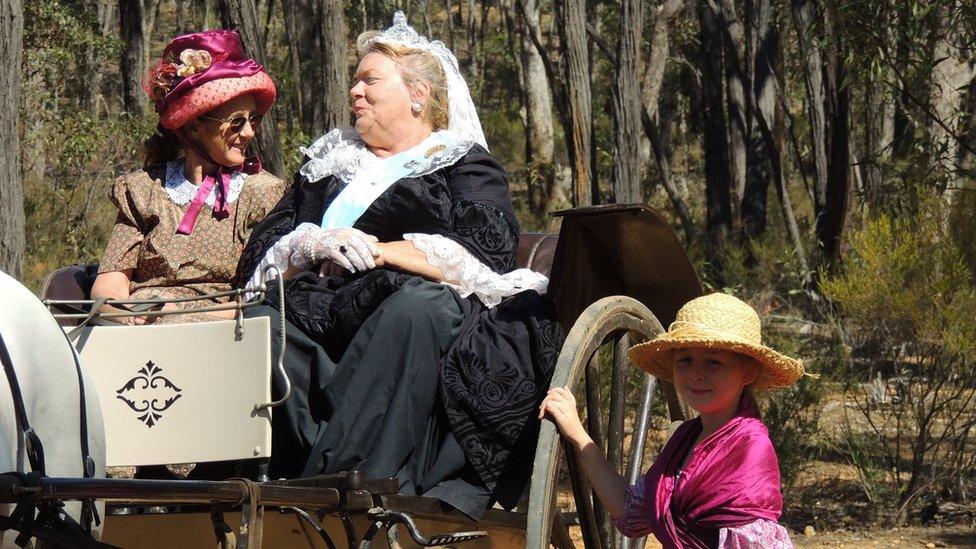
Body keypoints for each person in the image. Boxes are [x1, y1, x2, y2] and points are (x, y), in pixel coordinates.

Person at [236, 12, 561, 519]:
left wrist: (385, 251)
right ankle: (284, 477)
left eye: (369, 80)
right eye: (354, 81)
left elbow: (488, 250)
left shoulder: (461, 163)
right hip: (323, 313)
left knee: (419, 308)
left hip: (414, 313)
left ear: (418, 95)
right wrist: (314, 241)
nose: (354, 92)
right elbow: (264, 247)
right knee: (258, 325)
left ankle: (357, 484)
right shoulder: (327, 168)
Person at [540, 293, 804, 548]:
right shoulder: (685, 438)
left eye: (713, 362)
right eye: (685, 360)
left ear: (748, 371)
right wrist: (577, 434)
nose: (695, 374)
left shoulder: (749, 446)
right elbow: (630, 512)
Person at [91, 30, 284, 325]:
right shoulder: (144, 190)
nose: (249, 132)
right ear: (193, 128)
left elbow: (260, 295)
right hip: (139, 334)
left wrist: (180, 316)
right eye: (236, 122)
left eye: (253, 120)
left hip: (221, 336)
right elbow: (109, 284)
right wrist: (126, 315)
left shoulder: (260, 193)